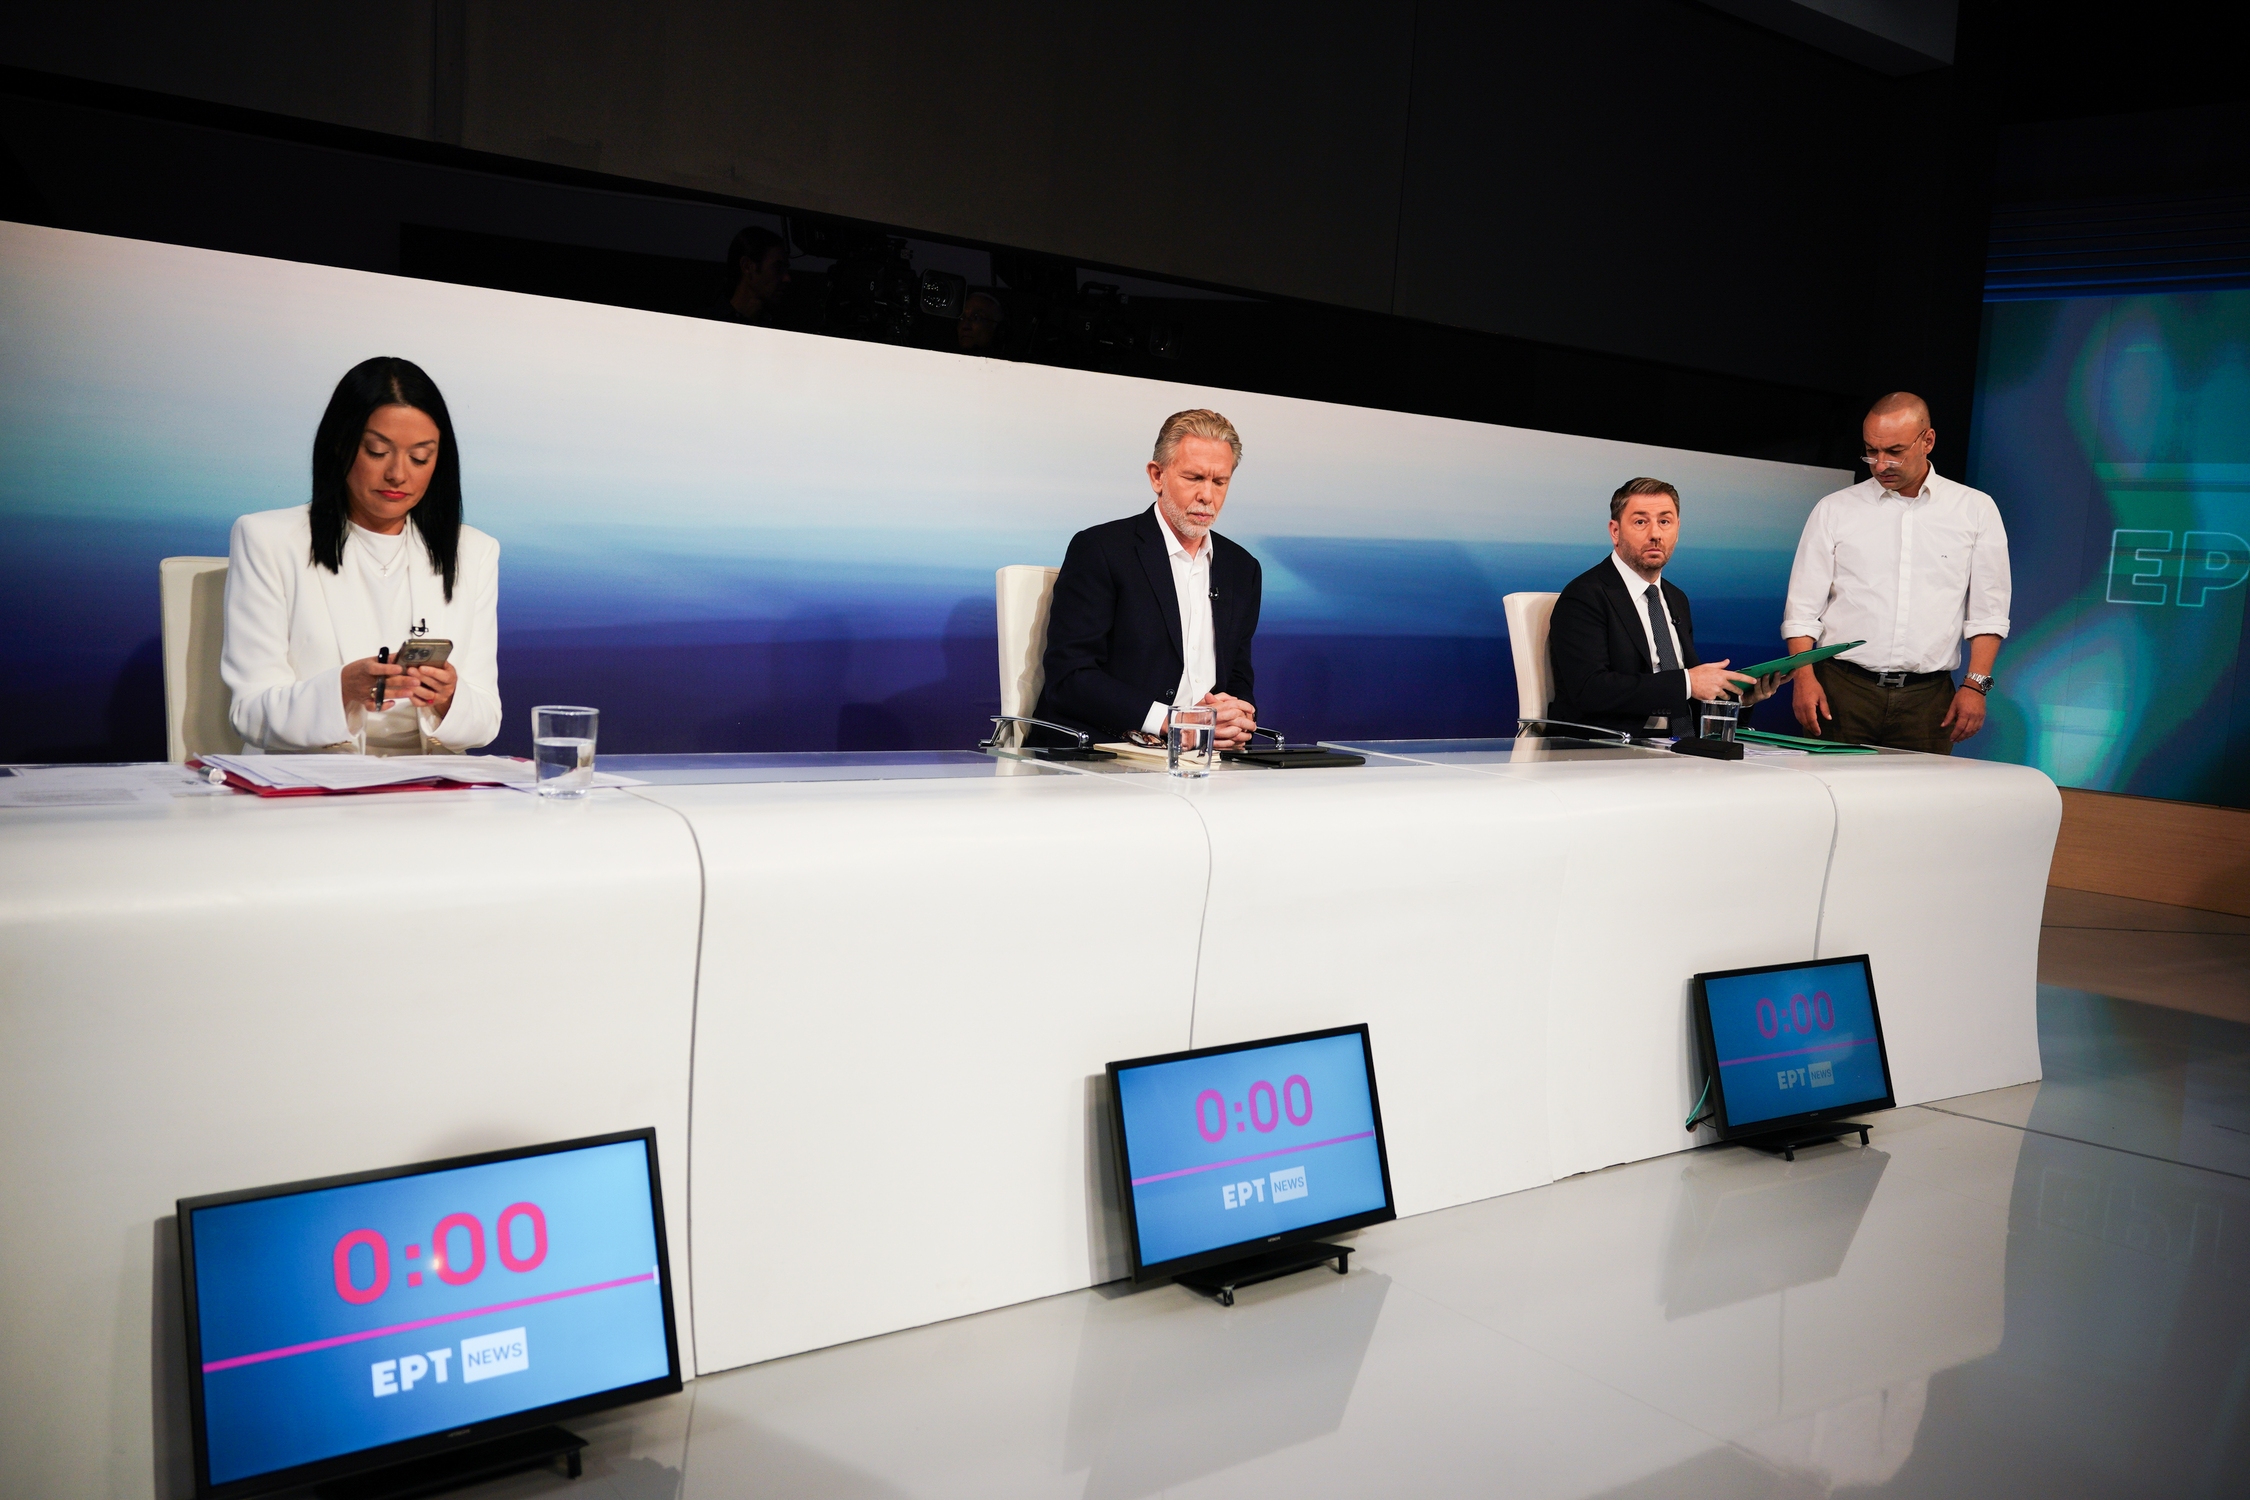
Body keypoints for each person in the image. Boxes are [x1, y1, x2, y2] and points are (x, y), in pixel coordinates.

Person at [221, 357, 501, 754]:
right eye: (376, 451)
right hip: (311, 777)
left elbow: (486, 720)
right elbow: (249, 713)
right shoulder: (268, 539)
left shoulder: (473, 552)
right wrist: (342, 689)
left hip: (430, 780)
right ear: (340, 444)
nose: (398, 474)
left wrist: (449, 697)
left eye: (420, 457)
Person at [1781, 392, 2010, 752]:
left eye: (1894, 451)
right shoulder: (1835, 509)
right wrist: (1803, 678)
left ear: (1927, 441)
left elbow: (1989, 612)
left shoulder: (1975, 509)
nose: (1880, 464)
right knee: (1831, 788)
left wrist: (1975, 686)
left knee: (1920, 791)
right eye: (1871, 451)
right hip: (1841, 689)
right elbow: (1802, 610)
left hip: (1928, 700)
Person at [1033, 409, 1261, 750]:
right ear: (1157, 476)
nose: (1207, 496)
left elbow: (1238, 675)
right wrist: (1172, 723)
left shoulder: (1242, 568)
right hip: (1104, 751)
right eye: (1194, 478)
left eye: (1219, 482)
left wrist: (1235, 717)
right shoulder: (1101, 550)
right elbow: (1070, 677)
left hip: (1202, 755)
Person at [1546, 478, 1767, 736]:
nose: (1655, 534)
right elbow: (1590, 689)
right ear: (1615, 531)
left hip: (1680, 744)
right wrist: (1687, 682)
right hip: (1613, 746)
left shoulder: (1676, 598)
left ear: (1677, 529)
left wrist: (1739, 698)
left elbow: (1687, 696)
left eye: (1664, 521)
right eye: (1641, 522)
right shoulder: (1585, 596)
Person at [698, 225, 791, 326]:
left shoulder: (780, 327)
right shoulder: (703, 323)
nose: (787, 278)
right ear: (747, 266)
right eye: (778, 267)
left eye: (785, 269)